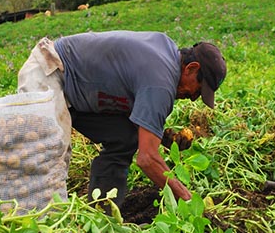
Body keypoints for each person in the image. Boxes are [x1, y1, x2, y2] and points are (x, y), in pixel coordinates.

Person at [17, 30, 226, 208]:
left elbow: (137, 112)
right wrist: (187, 199)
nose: (193, 98)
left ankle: (103, 214)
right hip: (51, 72)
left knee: (125, 136)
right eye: (198, 91)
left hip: (79, 91)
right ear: (191, 68)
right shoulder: (162, 81)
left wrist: (163, 137)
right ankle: (42, 219)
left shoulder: (166, 54)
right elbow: (147, 159)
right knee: (51, 155)